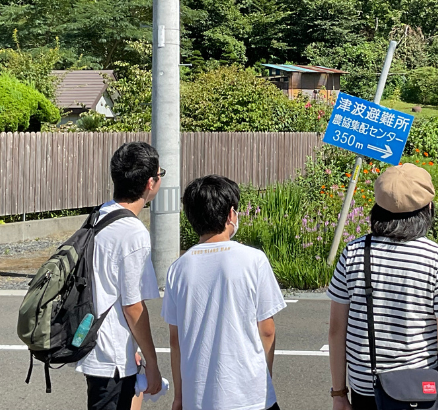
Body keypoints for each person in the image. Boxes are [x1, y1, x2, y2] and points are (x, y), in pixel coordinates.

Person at [328, 163, 438, 410]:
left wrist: (339, 393)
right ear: (428, 208)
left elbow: (337, 329)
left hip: (366, 386)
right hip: (418, 388)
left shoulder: (354, 252)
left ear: (377, 208)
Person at [162, 175, 286, 410]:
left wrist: (179, 396)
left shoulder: (177, 269)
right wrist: (264, 382)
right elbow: (267, 330)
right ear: (231, 214)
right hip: (250, 397)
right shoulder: (254, 260)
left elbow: (175, 340)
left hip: (197, 398)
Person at [77, 141, 163, 410]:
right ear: (150, 183)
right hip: (111, 357)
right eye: (160, 174)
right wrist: (152, 362)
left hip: (93, 343)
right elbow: (133, 306)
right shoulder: (133, 232)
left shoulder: (99, 214)